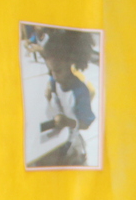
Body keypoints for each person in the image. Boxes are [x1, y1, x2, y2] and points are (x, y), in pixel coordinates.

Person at [34, 29, 97, 166]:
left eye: (57, 70)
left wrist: (68, 122)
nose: (53, 76)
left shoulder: (80, 92)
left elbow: (86, 123)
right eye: (50, 71)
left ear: (70, 63)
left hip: (70, 142)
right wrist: (49, 89)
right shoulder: (54, 79)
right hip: (56, 133)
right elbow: (52, 83)